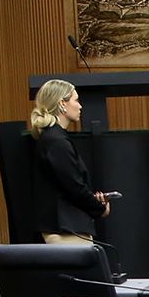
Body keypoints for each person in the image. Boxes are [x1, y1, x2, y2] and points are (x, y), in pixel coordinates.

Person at [27, 78, 109, 244]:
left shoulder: (51, 138)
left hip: (65, 227)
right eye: (76, 100)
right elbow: (74, 187)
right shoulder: (57, 142)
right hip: (66, 230)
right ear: (62, 104)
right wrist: (99, 208)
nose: (80, 106)